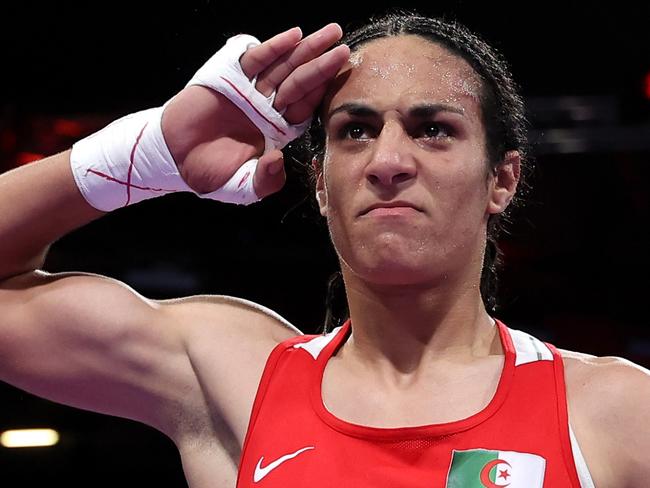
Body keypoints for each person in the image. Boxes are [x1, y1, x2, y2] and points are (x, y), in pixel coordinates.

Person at [0, 10, 648, 488]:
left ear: (500, 180)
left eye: (432, 130)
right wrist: (146, 157)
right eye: (356, 130)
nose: (388, 161)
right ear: (320, 184)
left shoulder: (617, 413)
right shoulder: (236, 381)